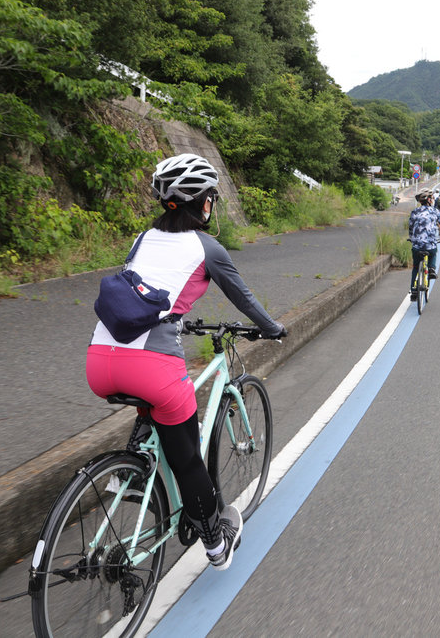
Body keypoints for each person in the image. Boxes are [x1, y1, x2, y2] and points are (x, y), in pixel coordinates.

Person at [86, 153, 286, 571]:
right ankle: (216, 544)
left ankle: (130, 471)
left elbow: (142, 292)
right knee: (188, 458)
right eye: (212, 197)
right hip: (152, 366)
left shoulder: (142, 240)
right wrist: (272, 328)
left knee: (156, 408)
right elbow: (243, 298)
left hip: (100, 360)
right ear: (205, 203)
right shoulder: (207, 247)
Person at [408, 190, 440, 300]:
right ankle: (432, 269)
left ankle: (414, 291)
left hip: (417, 246)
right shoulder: (434, 211)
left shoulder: (414, 212)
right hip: (430, 245)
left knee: (415, 267)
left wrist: (412, 238)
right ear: (429, 200)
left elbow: (410, 227)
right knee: (433, 253)